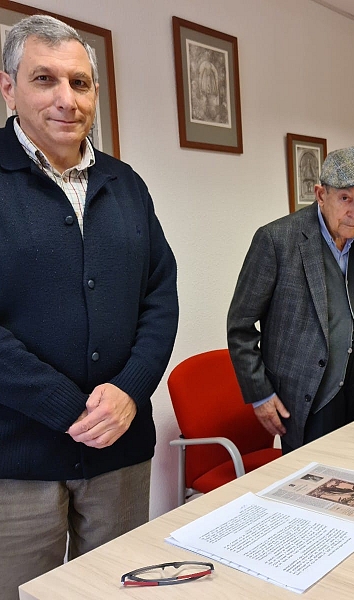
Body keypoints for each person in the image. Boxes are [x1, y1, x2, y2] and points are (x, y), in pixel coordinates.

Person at [0, 15, 178, 599]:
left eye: (80, 83)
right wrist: (66, 407)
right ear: (9, 88)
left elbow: (160, 296)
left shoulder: (126, 185)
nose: (65, 99)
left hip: (120, 449)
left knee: (120, 591)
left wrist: (130, 389)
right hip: (18, 460)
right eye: (44, 79)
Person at [227, 146, 354, 454]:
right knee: (316, 491)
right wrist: (260, 394)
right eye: (345, 198)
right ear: (320, 195)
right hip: (308, 396)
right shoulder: (277, 240)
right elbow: (240, 326)